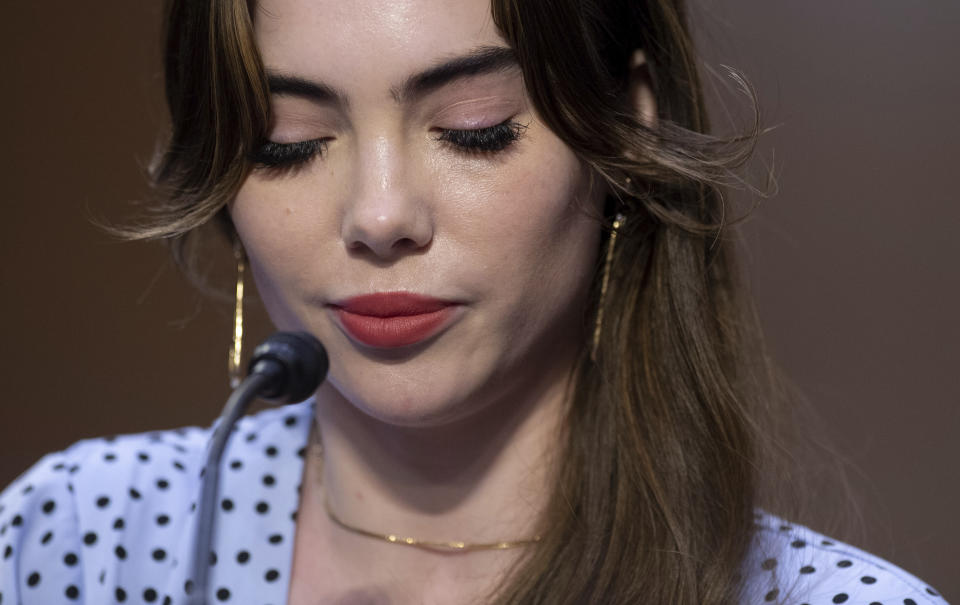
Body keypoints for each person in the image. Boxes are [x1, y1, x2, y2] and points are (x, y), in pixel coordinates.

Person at [0, 0, 950, 603]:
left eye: (473, 130)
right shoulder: (78, 539)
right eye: (288, 140)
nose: (379, 216)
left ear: (626, 126)